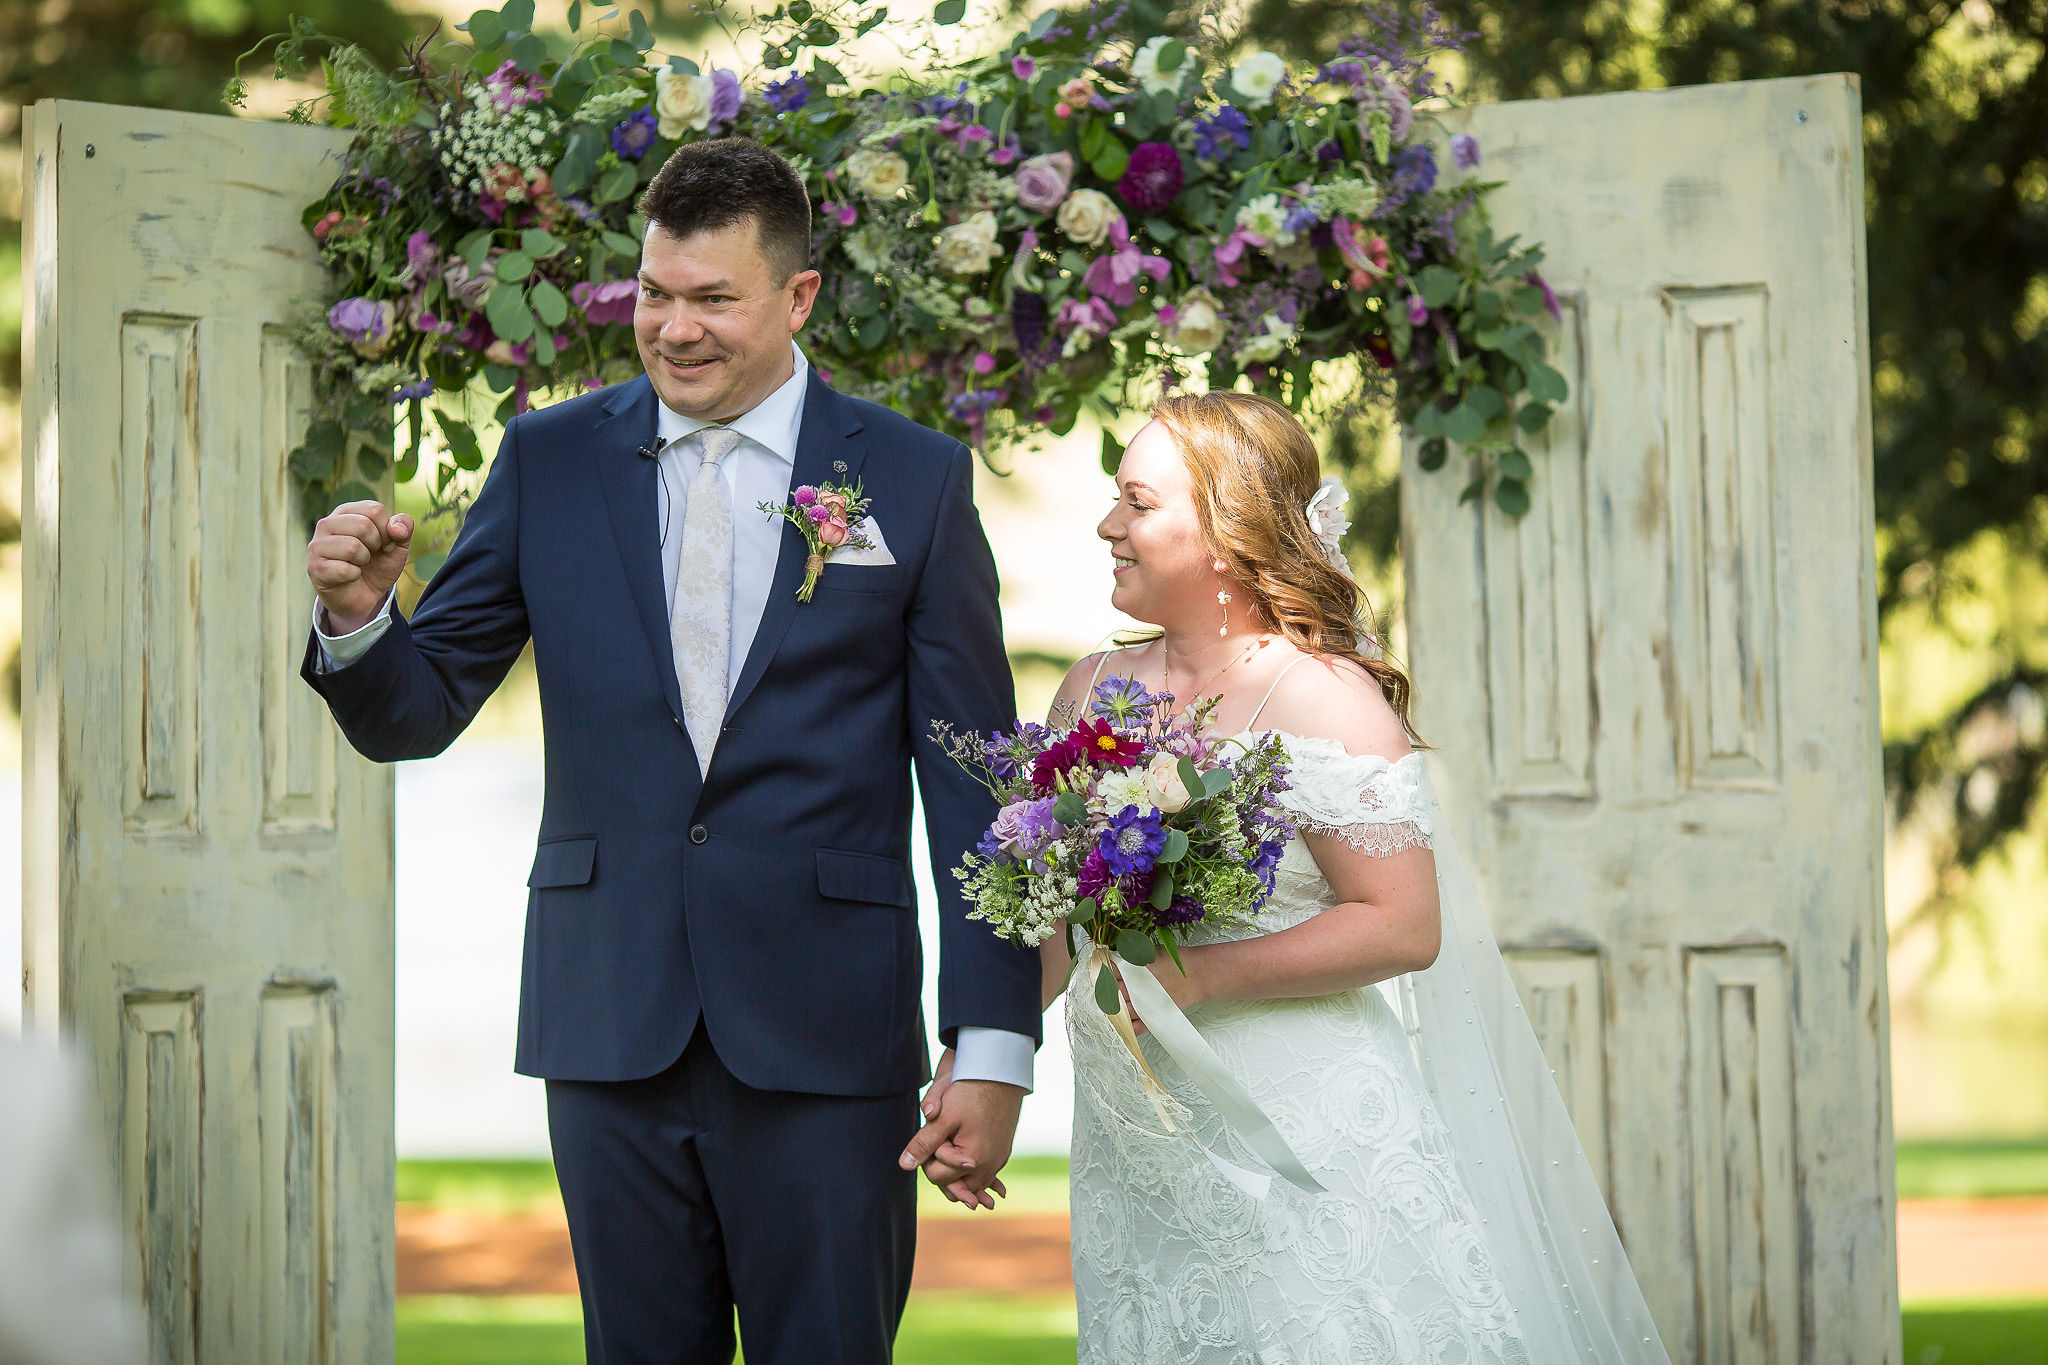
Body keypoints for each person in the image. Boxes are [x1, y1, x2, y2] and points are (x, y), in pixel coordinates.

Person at [300, 137, 1041, 1364]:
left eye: (712, 300)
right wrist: (359, 620)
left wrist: (994, 1044)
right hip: (608, 1019)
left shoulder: (911, 479)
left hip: (827, 1031)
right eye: (654, 293)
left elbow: (974, 784)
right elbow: (412, 717)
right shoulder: (548, 460)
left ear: (796, 297)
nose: (674, 330)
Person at [910, 390, 1670, 1362]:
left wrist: (1203, 975)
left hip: (1300, 1130)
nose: (1107, 525)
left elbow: (1400, 925)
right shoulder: (1090, 686)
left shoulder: (1319, 696)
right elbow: (1055, 921)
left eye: (1136, 504)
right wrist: (982, 1063)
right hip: (1139, 1147)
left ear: (1226, 529)